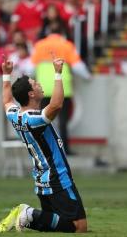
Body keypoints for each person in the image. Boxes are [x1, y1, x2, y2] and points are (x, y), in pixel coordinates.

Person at [0, 54, 87, 233]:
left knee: (55, 224)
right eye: (35, 84)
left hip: (42, 178)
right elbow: (56, 105)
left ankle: (29, 217)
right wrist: (58, 74)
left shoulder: (15, 114)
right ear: (31, 94)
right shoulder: (34, 119)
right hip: (57, 178)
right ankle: (27, 214)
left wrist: (6, 75)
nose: (39, 84)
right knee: (79, 227)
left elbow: (7, 100)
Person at [31, 22, 91, 155]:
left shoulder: (40, 45)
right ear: (62, 33)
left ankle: (43, 149)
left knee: (43, 121)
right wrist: (88, 76)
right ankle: (65, 150)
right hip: (62, 88)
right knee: (63, 121)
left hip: (43, 88)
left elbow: (29, 67)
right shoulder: (67, 45)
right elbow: (78, 66)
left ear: (47, 32)